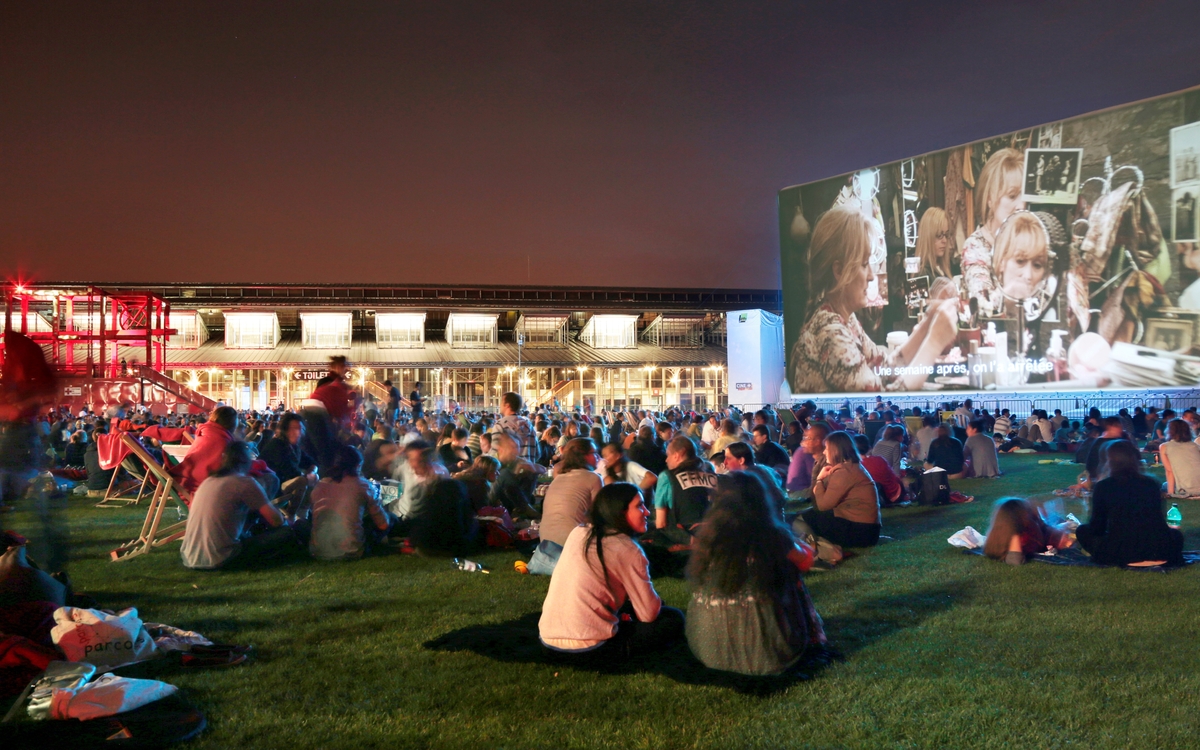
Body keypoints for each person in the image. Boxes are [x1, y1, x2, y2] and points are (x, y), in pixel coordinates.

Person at [789, 205, 958, 393]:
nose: (871, 276)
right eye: (863, 265)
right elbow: (887, 405)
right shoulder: (830, 332)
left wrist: (928, 323)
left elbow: (887, 369)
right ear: (838, 271)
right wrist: (934, 342)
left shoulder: (844, 320)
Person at [685, 472, 825, 676]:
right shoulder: (771, 535)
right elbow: (806, 560)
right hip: (765, 655)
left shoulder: (709, 535)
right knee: (792, 574)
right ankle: (807, 634)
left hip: (708, 651)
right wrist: (796, 542)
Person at [538, 483, 684, 664]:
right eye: (639, 506)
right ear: (619, 512)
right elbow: (649, 614)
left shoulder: (579, 532)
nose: (647, 512)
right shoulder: (627, 548)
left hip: (548, 644)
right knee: (673, 618)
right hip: (591, 650)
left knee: (630, 609)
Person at [180, 442, 292, 570]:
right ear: (245, 461)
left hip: (190, 558)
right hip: (223, 557)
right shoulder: (243, 482)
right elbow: (276, 520)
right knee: (288, 533)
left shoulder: (208, 481)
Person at [1076, 440, 1184, 566]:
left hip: (1123, 553)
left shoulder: (1104, 486)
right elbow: (1158, 519)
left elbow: (1097, 527)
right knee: (1176, 534)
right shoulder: (1151, 484)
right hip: (1160, 550)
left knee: (1082, 531)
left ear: (1109, 462)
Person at [961, 148, 1025, 316]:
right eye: (1012, 196)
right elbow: (983, 303)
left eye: (1025, 198)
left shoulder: (1027, 240)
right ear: (990, 198)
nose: (1021, 206)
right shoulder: (975, 247)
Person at [529, 438, 602, 575]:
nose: (598, 457)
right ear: (583, 456)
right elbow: (599, 514)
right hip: (573, 544)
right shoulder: (593, 478)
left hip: (546, 544)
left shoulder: (560, 477)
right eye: (594, 453)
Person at [306, 445, 391, 561]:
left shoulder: (320, 485)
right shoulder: (362, 485)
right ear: (358, 465)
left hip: (317, 552)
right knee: (390, 518)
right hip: (350, 552)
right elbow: (383, 524)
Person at [801, 431, 881, 548]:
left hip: (860, 532)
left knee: (802, 518)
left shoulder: (845, 472)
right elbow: (821, 497)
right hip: (865, 529)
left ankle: (812, 546)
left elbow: (823, 505)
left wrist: (819, 480)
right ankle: (810, 543)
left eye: (826, 448)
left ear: (836, 450)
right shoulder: (850, 467)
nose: (824, 452)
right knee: (805, 515)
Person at [650, 436, 717, 546]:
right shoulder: (711, 474)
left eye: (668, 455)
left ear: (677, 455)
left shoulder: (667, 477)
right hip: (716, 536)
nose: (666, 460)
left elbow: (661, 524)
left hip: (687, 544)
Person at [169, 406, 238, 495]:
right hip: (204, 491)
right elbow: (230, 471)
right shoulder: (222, 442)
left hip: (189, 484)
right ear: (232, 424)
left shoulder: (204, 435)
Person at [982, 497, 1072, 565]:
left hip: (1049, 531)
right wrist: (1015, 534)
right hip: (1047, 538)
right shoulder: (1019, 537)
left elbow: (1043, 526)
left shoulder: (1030, 523)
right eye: (1027, 513)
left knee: (1066, 527)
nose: (1029, 515)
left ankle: (1065, 525)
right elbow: (1015, 560)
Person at [259, 412, 317, 514]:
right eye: (294, 428)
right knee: (302, 480)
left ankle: (304, 513)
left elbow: (311, 462)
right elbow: (291, 471)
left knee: (313, 477)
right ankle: (292, 516)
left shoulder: (294, 447)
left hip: (283, 485)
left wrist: (312, 471)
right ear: (285, 430)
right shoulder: (276, 445)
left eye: (300, 429)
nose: (298, 433)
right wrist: (309, 476)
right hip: (270, 489)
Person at [723, 441, 787, 519]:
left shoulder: (746, 479)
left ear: (741, 460)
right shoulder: (765, 469)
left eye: (728, 458)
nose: (725, 462)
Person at [488, 432, 542, 519]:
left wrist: (527, 468)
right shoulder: (492, 460)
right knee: (505, 473)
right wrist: (514, 473)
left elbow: (541, 469)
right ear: (501, 449)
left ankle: (519, 509)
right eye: (512, 447)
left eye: (517, 447)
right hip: (491, 499)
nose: (516, 451)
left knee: (530, 472)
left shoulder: (514, 459)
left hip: (508, 497)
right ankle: (525, 508)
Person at [853, 434, 905, 506]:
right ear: (869, 447)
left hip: (873, 499)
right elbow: (893, 477)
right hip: (893, 495)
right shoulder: (879, 460)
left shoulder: (854, 467)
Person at [491, 392, 538, 464]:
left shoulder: (500, 425)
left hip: (508, 472)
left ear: (507, 405)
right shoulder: (529, 426)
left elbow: (494, 454)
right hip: (529, 470)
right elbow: (538, 453)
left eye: (501, 402)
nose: (499, 405)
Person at [1160, 419, 1200, 499]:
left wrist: (1170, 493)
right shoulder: (1195, 446)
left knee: (1164, 485)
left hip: (1184, 490)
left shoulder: (1164, 447)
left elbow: (1169, 471)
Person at [785, 423, 828, 495]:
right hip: (801, 495)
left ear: (817, 441)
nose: (802, 442)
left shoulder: (828, 458)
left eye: (806, 438)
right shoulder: (802, 452)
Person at [915, 207, 954, 280]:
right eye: (939, 235)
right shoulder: (922, 275)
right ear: (928, 236)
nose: (944, 240)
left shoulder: (944, 269)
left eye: (946, 234)